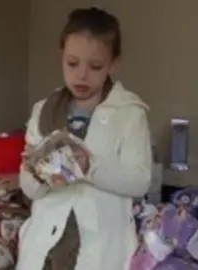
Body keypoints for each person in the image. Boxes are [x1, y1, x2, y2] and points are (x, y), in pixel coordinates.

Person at [16, 7, 152, 270]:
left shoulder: (129, 113)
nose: (81, 75)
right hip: (47, 248)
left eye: (96, 66)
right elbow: (29, 189)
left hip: (100, 249)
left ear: (113, 64)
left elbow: (140, 181)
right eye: (72, 63)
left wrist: (91, 166)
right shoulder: (43, 111)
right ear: (61, 57)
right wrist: (37, 173)